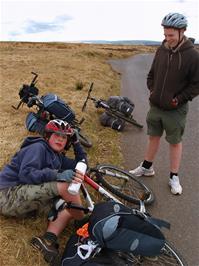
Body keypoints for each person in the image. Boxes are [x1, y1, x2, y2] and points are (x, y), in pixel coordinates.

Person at [129, 13, 199, 195]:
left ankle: (174, 176)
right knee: (153, 136)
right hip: (156, 105)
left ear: (182, 31)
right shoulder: (161, 50)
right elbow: (151, 74)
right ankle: (147, 167)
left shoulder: (192, 55)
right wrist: (152, 91)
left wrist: (178, 99)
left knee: (174, 142)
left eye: (172, 36)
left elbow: (196, 85)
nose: (168, 39)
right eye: (166, 35)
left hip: (175, 109)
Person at [0, 119, 87, 263]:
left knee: (66, 208)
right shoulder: (38, 148)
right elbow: (26, 174)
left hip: (23, 197)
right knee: (65, 187)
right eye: (56, 135)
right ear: (47, 136)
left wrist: (77, 143)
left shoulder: (57, 156)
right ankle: (83, 223)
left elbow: (82, 165)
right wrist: (56, 175)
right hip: (7, 195)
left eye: (64, 137)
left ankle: (47, 240)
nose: (60, 138)